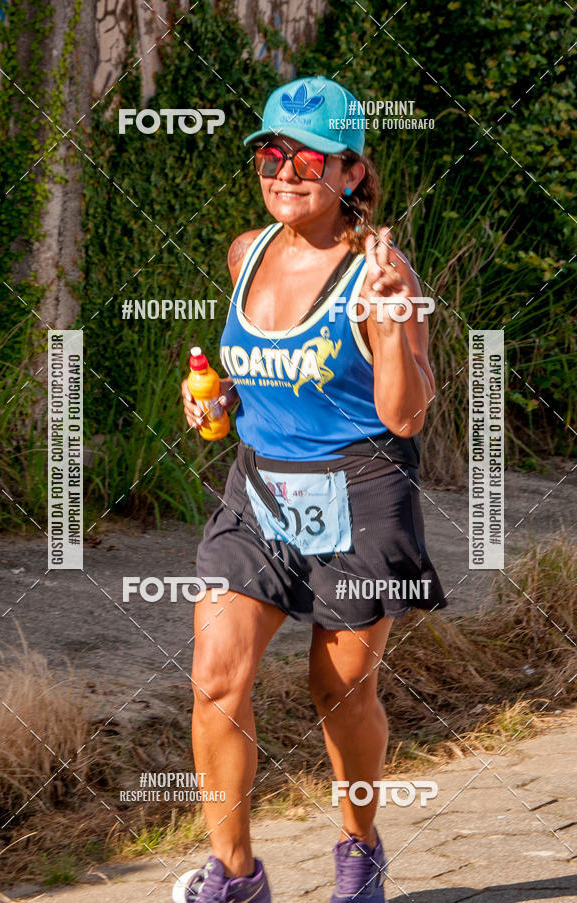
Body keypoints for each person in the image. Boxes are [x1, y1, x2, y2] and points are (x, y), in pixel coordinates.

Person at [178, 75, 446, 903]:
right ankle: (235, 876)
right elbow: (247, 378)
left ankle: (359, 849)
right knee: (216, 676)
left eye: (306, 156)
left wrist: (395, 319)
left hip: (362, 493)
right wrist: (216, 401)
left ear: (351, 172)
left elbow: (404, 416)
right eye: (269, 152)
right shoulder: (244, 251)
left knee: (339, 690)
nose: (283, 170)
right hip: (259, 490)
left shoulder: (380, 267)